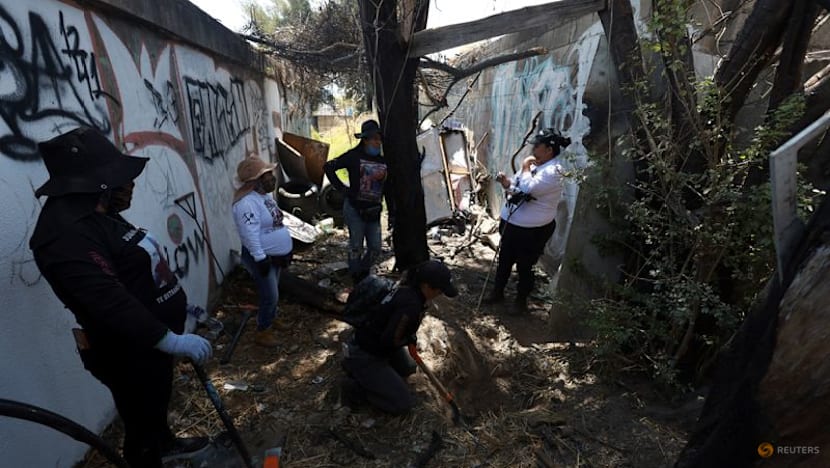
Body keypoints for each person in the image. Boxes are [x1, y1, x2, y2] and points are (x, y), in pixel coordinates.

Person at [28, 127, 213, 468]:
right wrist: (167, 339)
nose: (128, 185)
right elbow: (106, 299)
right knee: (140, 425)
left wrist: (173, 300)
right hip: (128, 351)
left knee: (153, 411)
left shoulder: (99, 215)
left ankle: (164, 443)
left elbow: (133, 266)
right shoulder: (64, 235)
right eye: (117, 178)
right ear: (95, 184)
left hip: (150, 343)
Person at [341, 260, 458, 415]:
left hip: (376, 342)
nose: (440, 294)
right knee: (402, 404)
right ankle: (355, 387)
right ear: (426, 286)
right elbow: (389, 340)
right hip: (366, 353)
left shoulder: (408, 288)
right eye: (439, 290)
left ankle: (373, 376)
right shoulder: (411, 306)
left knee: (408, 367)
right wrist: (407, 339)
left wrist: (408, 337)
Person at [484, 128, 570, 312]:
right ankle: (497, 293)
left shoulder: (554, 170)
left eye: (537, 146)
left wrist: (524, 167)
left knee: (525, 266)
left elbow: (528, 188)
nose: (533, 150)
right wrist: (507, 183)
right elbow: (517, 188)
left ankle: (520, 302)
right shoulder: (537, 166)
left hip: (532, 230)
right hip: (512, 224)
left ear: (549, 149)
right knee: (504, 260)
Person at [232, 155, 293, 348]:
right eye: (266, 175)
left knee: (273, 290)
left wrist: (285, 248)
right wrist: (260, 257)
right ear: (254, 181)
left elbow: (274, 223)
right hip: (260, 256)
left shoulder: (264, 196)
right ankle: (262, 331)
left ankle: (272, 319)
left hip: (272, 256)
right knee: (270, 295)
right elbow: (249, 233)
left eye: (270, 173)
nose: (271, 178)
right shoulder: (246, 204)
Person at [324, 119, 392, 283]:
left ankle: (363, 271)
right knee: (356, 246)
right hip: (354, 209)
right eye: (374, 139)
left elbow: (388, 186)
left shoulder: (383, 161)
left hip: (374, 211)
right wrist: (342, 189)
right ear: (365, 139)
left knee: (375, 248)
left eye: (379, 139)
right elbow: (329, 167)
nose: (377, 142)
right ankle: (356, 278)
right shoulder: (353, 156)